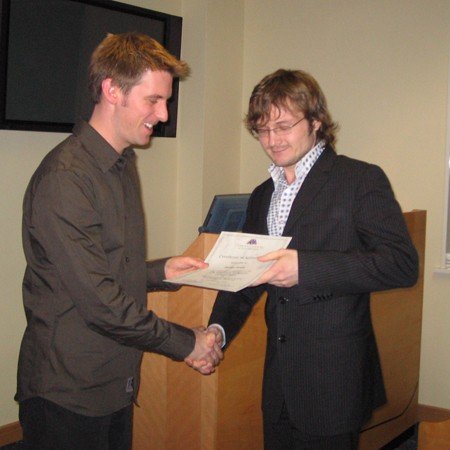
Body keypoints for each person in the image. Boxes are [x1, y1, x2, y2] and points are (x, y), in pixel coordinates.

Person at [16, 32, 222, 450]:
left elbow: (105, 268)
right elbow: (101, 303)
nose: (163, 114)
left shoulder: (121, 163)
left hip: (115, 382)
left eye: (166, 101)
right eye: (153, 100)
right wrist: (188, 343)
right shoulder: (66, 179)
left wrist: (161, 271)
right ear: (112, 90)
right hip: (68, 393)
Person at [206, 69, 419, 449]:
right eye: (262, 130)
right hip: (278, 382)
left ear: (316, 121)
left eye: (283, 126)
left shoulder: (359, 179)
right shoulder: (262, 194)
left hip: (333, 381)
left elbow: (401, 264)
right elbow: (247, 276)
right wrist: (217, 331)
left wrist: (305, 268)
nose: (272, 140)